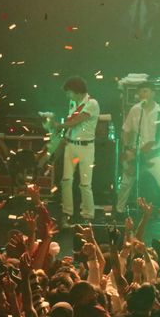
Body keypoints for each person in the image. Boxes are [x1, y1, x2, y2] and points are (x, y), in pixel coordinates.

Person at [116, 81, 160, 218]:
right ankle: (118, 211)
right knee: (125, 184)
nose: (142, 94)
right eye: (140, 91)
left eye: (145, 91)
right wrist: (127, 149)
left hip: (156, 155)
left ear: (153, 93)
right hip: (136, 155)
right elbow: (126, 130)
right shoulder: (135, 110)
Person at [57, 76, 99, 227]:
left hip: (86, 148)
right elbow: (72, 123)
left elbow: (76, 121)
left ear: (76, 91)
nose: (67, 95)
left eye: (69, 92)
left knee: (85, 184)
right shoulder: (73, 103)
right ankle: (67, 213)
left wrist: (58, 125)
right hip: (71, 146)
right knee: (66, 180)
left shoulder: (92, 103)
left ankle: (88, 215)